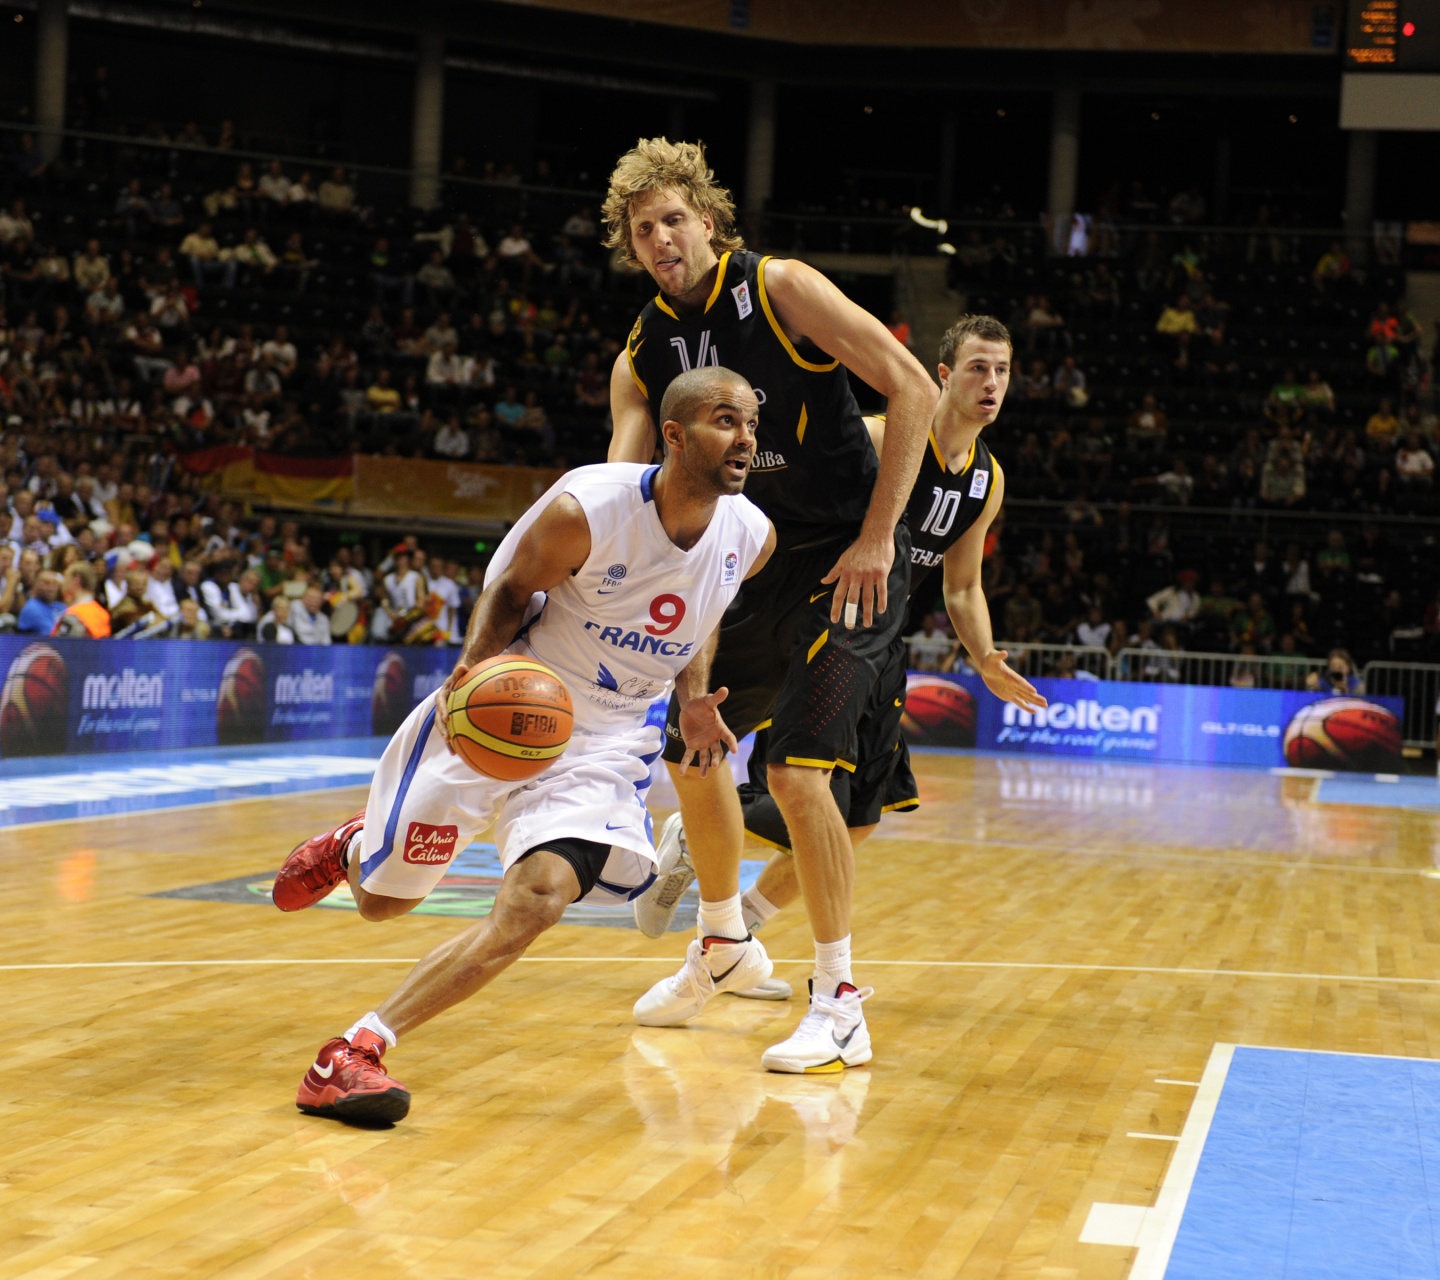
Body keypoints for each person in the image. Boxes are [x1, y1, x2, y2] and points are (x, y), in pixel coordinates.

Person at [271, 367, 776, 1124]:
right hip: (510, 701)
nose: (746, 439)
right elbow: (511, 591)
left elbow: (701, 618)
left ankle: (353, 1051)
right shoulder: (589, 509)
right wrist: (472, 674)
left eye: (750, 424)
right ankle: (353, 849)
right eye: (726, 421)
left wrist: (693, 697)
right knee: (380, 904)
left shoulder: (752, 536)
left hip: (606, 739)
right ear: (673, 435)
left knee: (538, 899)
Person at [604, 137, 938, 1072]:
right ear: (632, 250)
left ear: (709, 223)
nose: (662, 237)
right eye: (644, 230)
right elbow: (625, 487)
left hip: (851, 558)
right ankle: (722, 941)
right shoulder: (643, 352)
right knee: (692, 741)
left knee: (798, 777)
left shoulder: (781, 286)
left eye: (675, 219)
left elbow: (912, 385)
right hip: (748, 562)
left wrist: (879, 536)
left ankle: (837, 1002)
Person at [637, 316, 1046, 968]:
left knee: (855, 822)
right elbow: (788, 501)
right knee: (767, 769)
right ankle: (754, 919)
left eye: (1001, 370)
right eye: (977, 367)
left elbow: (962, 588)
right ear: (942, 376)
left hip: (875, 640)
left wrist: (987, 657)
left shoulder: (986, 480)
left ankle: (730, 919)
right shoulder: (884, 435)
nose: (990, 382)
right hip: (809, 616)